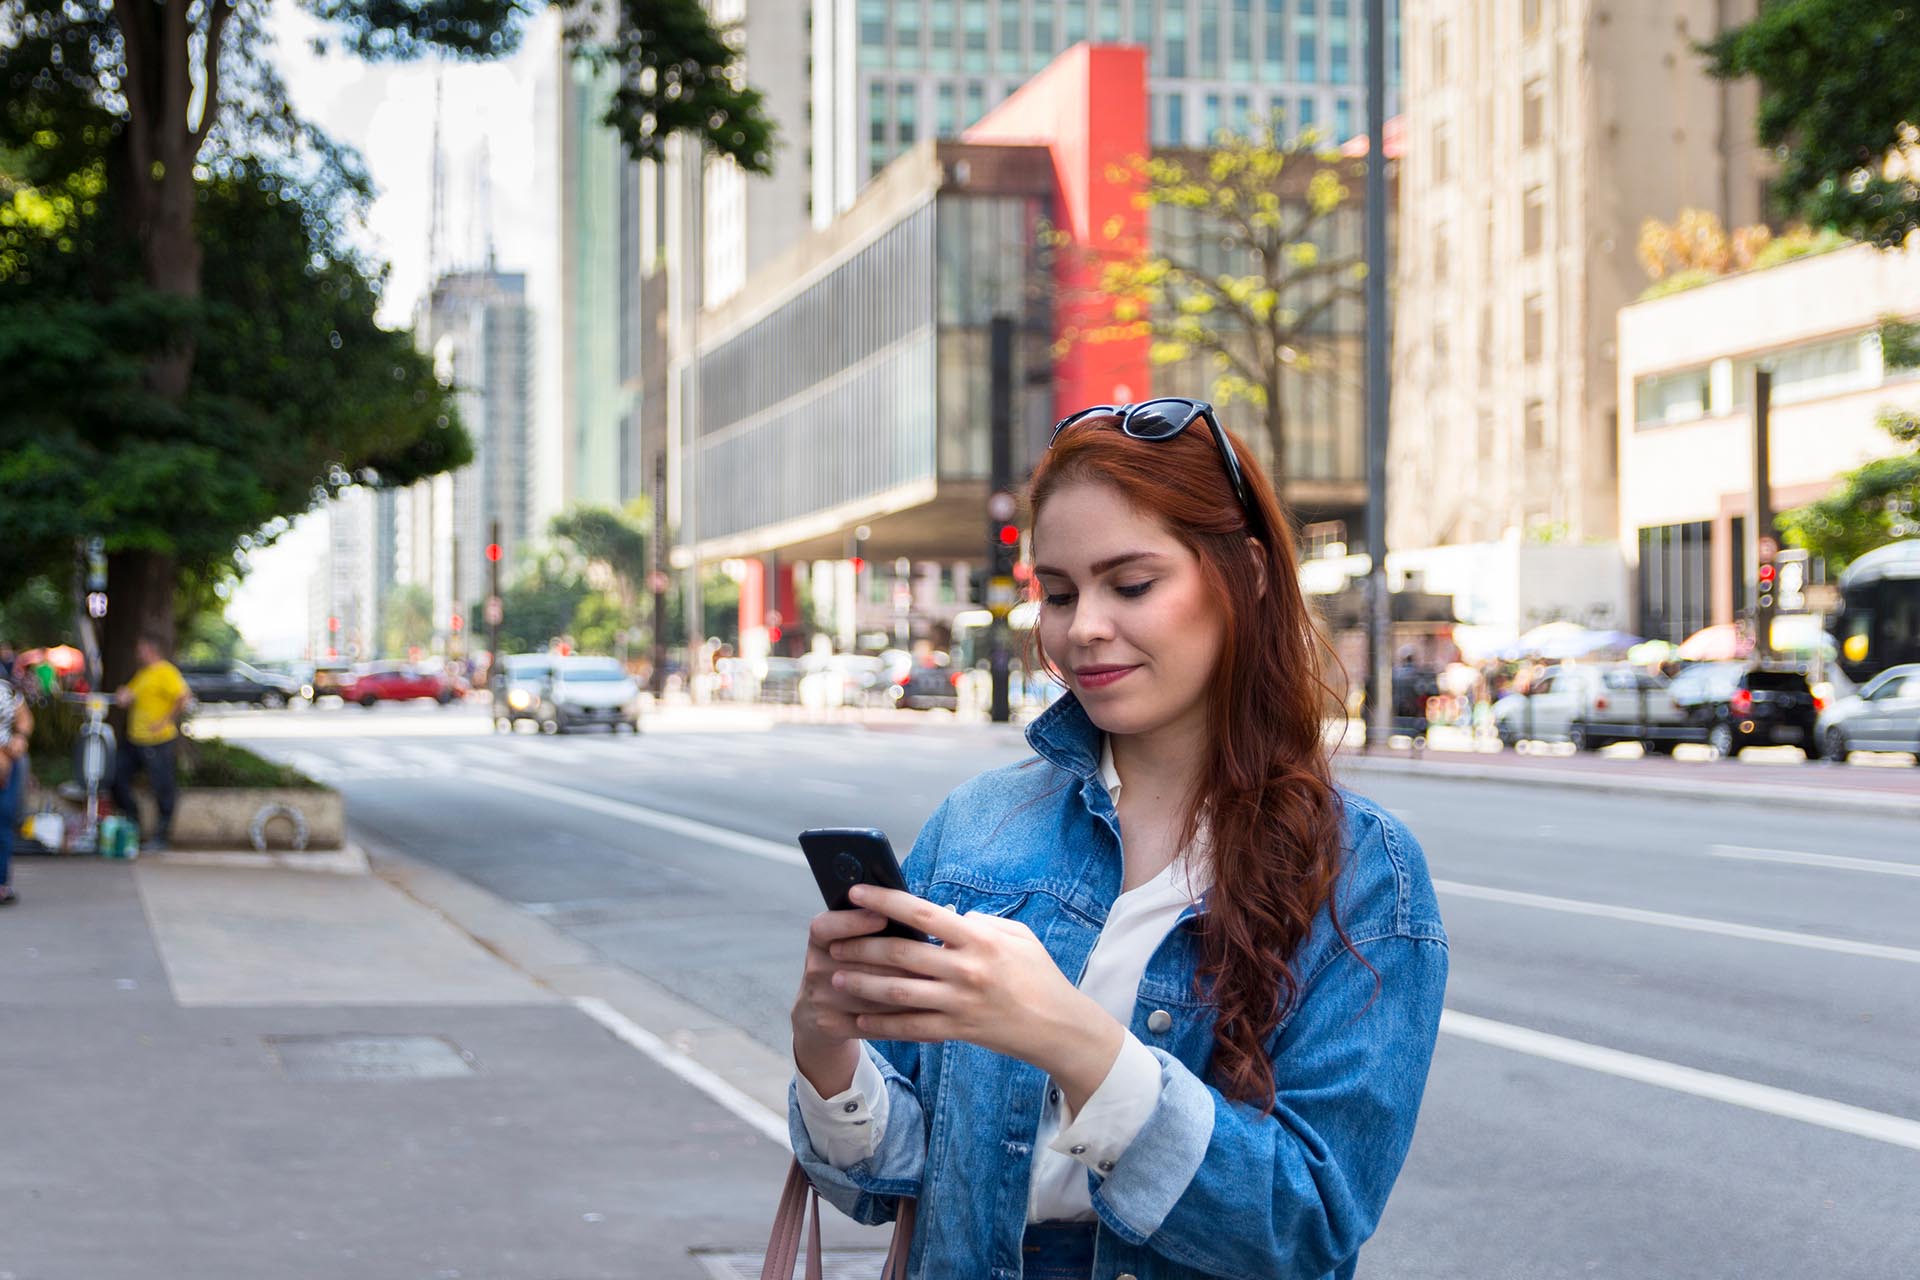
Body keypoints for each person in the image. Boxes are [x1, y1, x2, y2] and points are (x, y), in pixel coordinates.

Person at [787, 399, 1449, 1280]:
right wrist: (826, 1050)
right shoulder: (981, 825)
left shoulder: (1366, 872)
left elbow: (1307, 1229)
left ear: (1245, 575)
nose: (1082, 627)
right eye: (1057, 593)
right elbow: (896, 1174)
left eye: (1130, 585)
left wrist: (1072, 1039)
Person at [111, 633, 190, 853]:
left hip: (158, 740)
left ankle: (161, 837)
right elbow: (129, 698)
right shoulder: (143, 673)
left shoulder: (165, 671)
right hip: (135, 740)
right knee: (116, 776)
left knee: (162, 786)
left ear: (151, 649)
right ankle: (133, 825)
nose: (138, 653)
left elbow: (184, 696)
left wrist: (165, 720)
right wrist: (123, 696)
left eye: (141, 648)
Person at [0, 648, 33, 905]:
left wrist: (20, 739)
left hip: (8, 765)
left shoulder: (6, 689)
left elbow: (24, 719)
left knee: (4, 821)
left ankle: (1, 884)